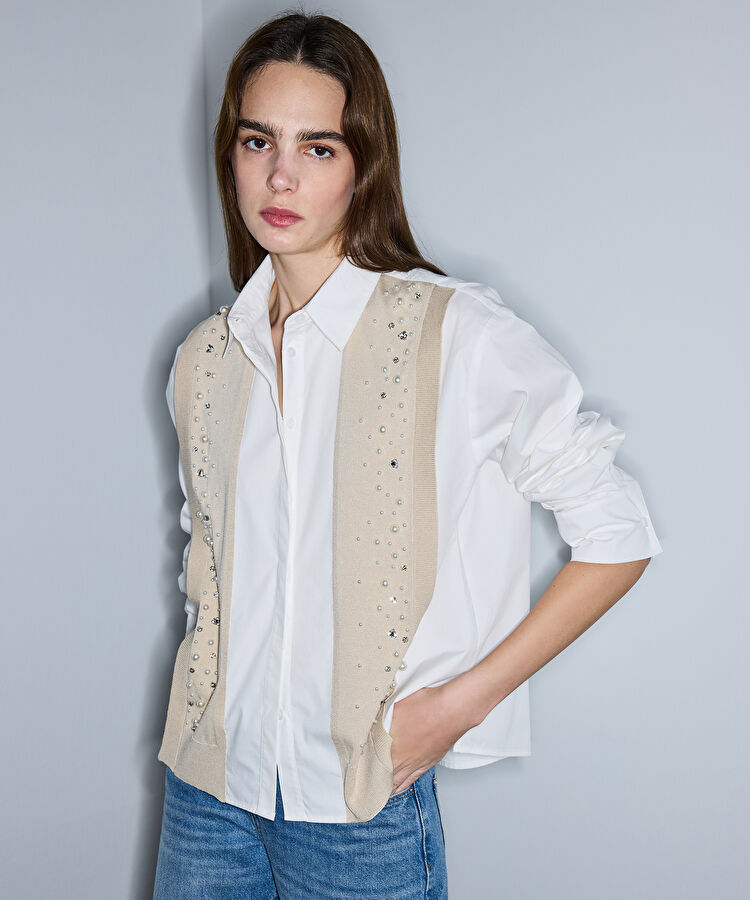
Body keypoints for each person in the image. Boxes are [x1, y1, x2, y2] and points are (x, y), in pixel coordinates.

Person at [153, 10, 663, 899]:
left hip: (358, 810)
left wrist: (456, 709)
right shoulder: (206, 358)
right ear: (229, 155)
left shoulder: (453, 334)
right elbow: (210, 561)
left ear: (363, 165)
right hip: (206, 793)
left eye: (318, 148)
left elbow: (619, 535)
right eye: (258, 141)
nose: (280, 175)